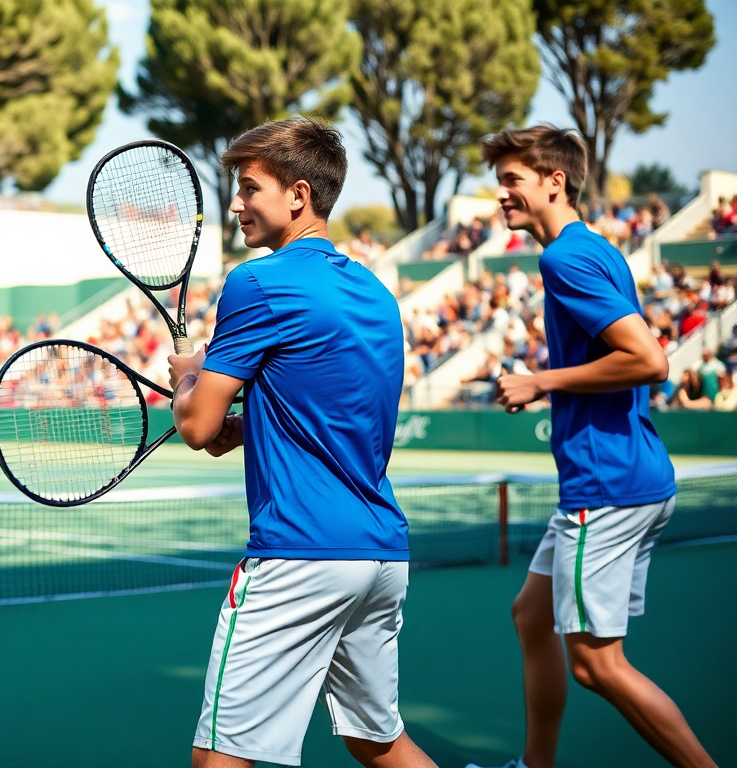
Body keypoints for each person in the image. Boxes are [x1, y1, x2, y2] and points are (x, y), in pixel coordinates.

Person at [166, 116, 435, 768]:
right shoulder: (376, 293)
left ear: (298, 195)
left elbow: (196, 427)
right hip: (381, 555)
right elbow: (329, 415)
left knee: (219, 759)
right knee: (379, 742)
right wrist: (246, 429)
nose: (236, 204)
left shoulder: (257, 282)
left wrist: (187, 379)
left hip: (300, 553)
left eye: (249, 189)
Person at [474, 125, 716, 768]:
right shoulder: (594, 248)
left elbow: (649, 360)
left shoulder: (565, 259)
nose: (502, 194)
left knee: (597, 665)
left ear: (555, 182)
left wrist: (540, 381)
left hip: (606, 485)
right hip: (626, 474)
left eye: (513, 180)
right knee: (532, 615)